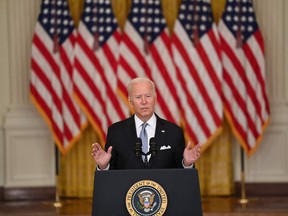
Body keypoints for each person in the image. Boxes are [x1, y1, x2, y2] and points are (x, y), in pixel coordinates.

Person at [91, 77, 201, 170]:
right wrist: (103, 166)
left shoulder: (173, 132)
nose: (144, 101)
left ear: (155, 98)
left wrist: (187, 164)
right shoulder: (116, 132)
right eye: (138, 97)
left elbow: (180, 176)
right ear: (130, 102)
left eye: (148, 96)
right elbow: (111, 175)